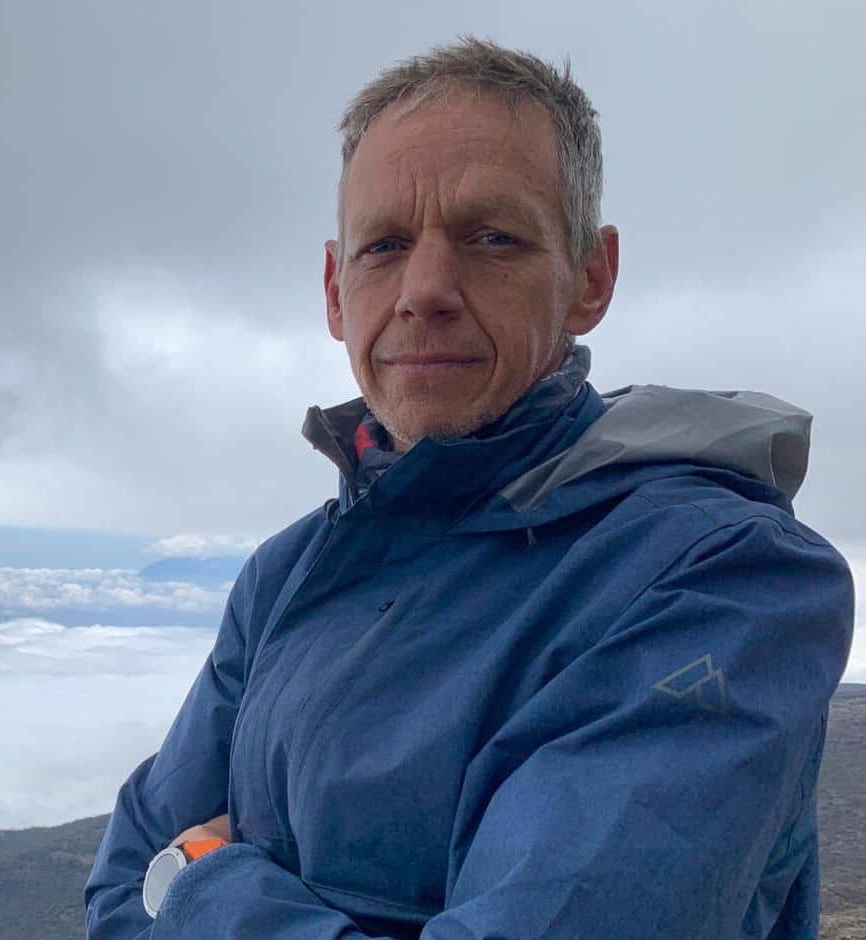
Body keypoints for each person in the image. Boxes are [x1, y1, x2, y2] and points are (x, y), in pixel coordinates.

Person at [84, 38, 854, 939]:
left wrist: (202, 885)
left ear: (590, 278)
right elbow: (118, 885)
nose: (425, 290)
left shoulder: (721, 577)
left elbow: (157, 880)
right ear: (335, 290)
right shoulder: (284, 577)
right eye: (385, 245)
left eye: (493, 239)